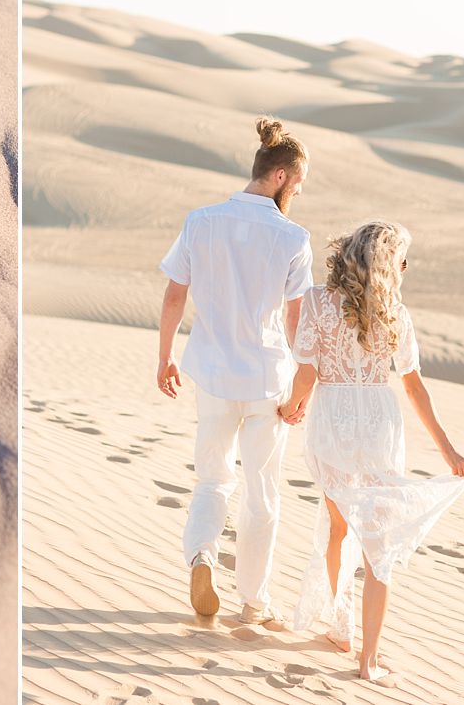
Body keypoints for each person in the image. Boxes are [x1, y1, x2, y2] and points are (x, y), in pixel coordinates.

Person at [278, 221, 464, 687]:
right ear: (387, 264)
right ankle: (367, 660)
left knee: (338, 526)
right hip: (380, 424)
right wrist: (448, 450)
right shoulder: (394, 312)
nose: (405, 267)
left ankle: (341, 626)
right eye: (402, 259)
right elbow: (414, 386)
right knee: (378, 545)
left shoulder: (319, 302)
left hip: (333, 420)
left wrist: (289, 408)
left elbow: (306, 372)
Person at [157, 116, 313, 625]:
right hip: (267, 382)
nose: (298, 192)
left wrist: (165, 357)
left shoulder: (200, 221)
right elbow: (295, 319)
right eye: (300, 183)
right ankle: (253, 602)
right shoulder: (293, 237)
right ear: (282, 176)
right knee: (262, 492)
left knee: (211, 480)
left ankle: (202, 556)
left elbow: (175, 293)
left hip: (213, 375)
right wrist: (301, 387)